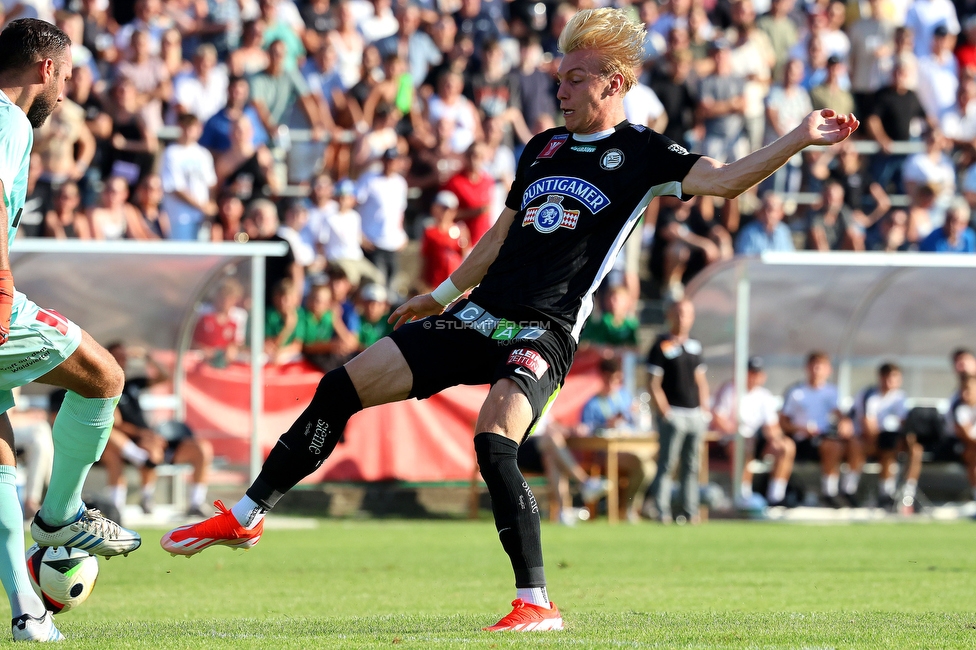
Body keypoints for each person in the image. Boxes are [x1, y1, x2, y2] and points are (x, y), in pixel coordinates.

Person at [162, 8, 857, 632]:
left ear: (613, 83)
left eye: (576, 79)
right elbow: (497, 239)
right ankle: (249, 516)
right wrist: (438, 298)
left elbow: (727, 179)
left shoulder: (646, 153)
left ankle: (536, 602)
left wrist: (798, 137)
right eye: (560, 77)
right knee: (344, 382)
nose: (561, 89)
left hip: (544, 330)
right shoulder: (544, 148)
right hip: (478, 314)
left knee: (494, 438)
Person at [0, 19, 141, 642]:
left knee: (1, 454)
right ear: (45, 69)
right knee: (103, 375)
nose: (67, 91)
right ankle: (58, 519)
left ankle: (27, 611)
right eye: (69, 75)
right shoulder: (6, 119)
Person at [105, 343, 213, 517]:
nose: (122, 360)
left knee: (202, 448)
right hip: (131, 440)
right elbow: (114, 423)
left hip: (151, 435)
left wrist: (147, 356)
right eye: (117, 356)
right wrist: (141, 434)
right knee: (151, 452)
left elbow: (164, 377)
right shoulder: (105, 385)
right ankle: (146, 497)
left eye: (124, 356)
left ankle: (196, 503)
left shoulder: (132, 384)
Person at [644, 299, 710, 524]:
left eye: (687, 314)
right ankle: (660, 509)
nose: (683, 318)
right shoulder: (661, 344)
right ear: (671, 315)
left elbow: (700, 381)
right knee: (668, 463)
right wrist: (665, 413)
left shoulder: (694, 346)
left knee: (692, 465)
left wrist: (704, 410)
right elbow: (653, 383)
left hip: (694, 414)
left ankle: (689, 510)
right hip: (674, 414)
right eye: (679, 313)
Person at [711, 356, 796, 508]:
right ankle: (744, 496)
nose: (754, 377)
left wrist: (776, 439)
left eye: (757, 373)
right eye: (750, 372)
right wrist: (736, 432)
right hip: (730, 440)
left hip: (756, 440)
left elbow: (771, 425)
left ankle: (775, 496)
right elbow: (718, 418)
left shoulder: (764, 395)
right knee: (743, 444)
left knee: (787, 447)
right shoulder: (730, 390)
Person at [780, 351, 861, 508]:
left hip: (824, 437)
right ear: (807, 368)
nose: (817, 370)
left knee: (855, 444)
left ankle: (847, 489)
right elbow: (783, 422)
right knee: (832, 446)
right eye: (814, 365)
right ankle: (828, 492)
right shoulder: (796, 392)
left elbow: (840, 414)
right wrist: (801, 428)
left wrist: (845, 423)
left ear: (828, 369)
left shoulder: (832, 392)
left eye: (821, 366)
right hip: (802, 440)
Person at [579, 355, 650, 522]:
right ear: (602, 377)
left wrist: (635, 415)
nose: (614, 383)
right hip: (605, 454)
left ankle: (629, 508)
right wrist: (605, 424)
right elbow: (586, 431)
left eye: (617, 379)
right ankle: (628, 509)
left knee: (652, 463)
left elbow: (635, 425)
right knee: (644, 466)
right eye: (610, 379)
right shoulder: (593, 403)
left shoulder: (624, 397)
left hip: (629, 446)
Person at [852, 362, 922, 511]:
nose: (891, 382)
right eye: (888, 378)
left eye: (895, 378)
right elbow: (868, 427)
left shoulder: (900, 397)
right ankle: (885, 493)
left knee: (916, 450)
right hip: (870, 441)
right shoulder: (869, 395)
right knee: (886, 447)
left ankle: (907, 494)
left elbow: (904, 423)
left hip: (892, 440)